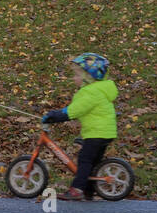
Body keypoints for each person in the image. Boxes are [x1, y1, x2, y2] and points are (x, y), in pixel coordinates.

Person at [42, 53, 117, 201]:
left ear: (88, 77)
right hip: (104, 132)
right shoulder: (99, 89)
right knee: (92, 162)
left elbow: (74, 111)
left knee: (85, 160)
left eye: (77, 75)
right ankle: (90, 189)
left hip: (97, 133)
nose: (73, 78)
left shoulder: (90, 92)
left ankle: (77, 189)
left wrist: (55, 116)